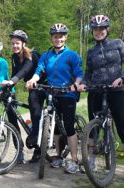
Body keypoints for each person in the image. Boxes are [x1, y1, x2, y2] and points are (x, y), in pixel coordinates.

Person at [78, 15, 124, 184]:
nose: (98, 32)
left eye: (101, 29)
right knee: (93, 128)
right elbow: (88, 74)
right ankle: (91, 161)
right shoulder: (91, 51)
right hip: (96, 91)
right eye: (95, 29)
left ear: (107, 29)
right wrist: (83, 84)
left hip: (116, 91)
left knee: (123, 130)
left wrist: (123, 78)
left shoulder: (118, 43)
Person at [26, 23, 83, 173]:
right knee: (56, 127)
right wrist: (33, 80)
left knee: (69, 126)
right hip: (53, 93)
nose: (58, 39)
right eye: (55, 36)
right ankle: (58, 156)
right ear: (52, 38)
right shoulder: (46, 56)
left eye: (61, 36)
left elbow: (78, 73)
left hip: (68, 93)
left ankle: (74, 159)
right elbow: (39, 71)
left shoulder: (72, 55)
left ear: (65, 37)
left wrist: (76, 84)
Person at [0, 30, 45, 163]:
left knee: (33, 104)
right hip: (31, 85)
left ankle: (36, 139)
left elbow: (25, 70)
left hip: (43, 84)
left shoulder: (32, 55)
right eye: (13, 43)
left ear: (23, 44)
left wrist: (12, 81)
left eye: (17, 43)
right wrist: (9, 87)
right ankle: (26, 148)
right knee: (14, 109)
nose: (14, 46)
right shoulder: (14, 57)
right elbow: (16, 72)